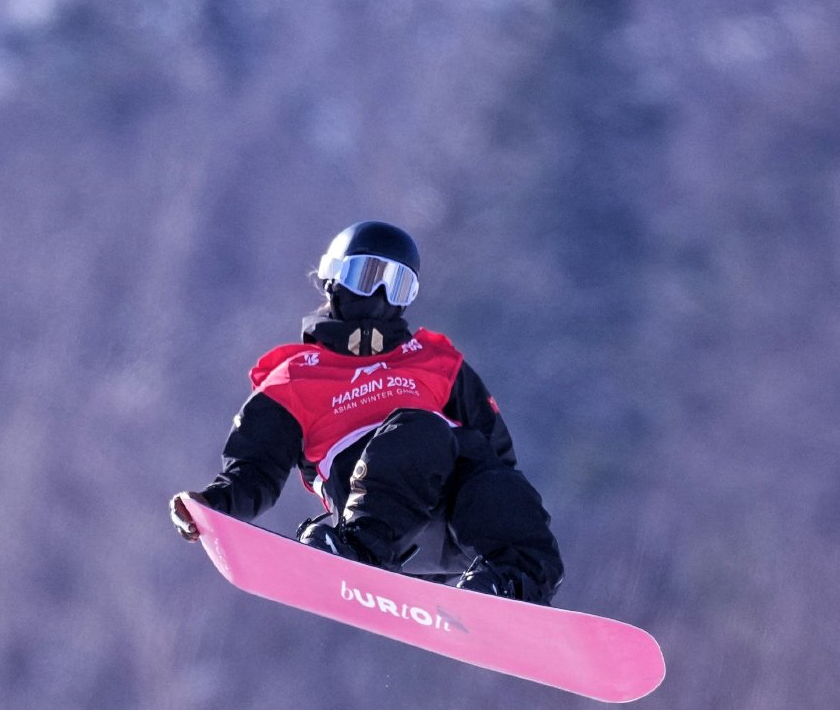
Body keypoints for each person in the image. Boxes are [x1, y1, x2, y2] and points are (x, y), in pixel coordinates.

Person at [169, 221, 563, 603]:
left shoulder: (437, 361)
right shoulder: (293, 378)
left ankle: (513, 583)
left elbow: (499, 459)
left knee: (494, 476)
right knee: (418, 429)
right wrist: (211, 505)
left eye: (397, 284)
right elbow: (253, 472)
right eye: (366, 276)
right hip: (377, 511)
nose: (379, 293)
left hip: (456, 523)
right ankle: (357, 550)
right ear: (334, 278)